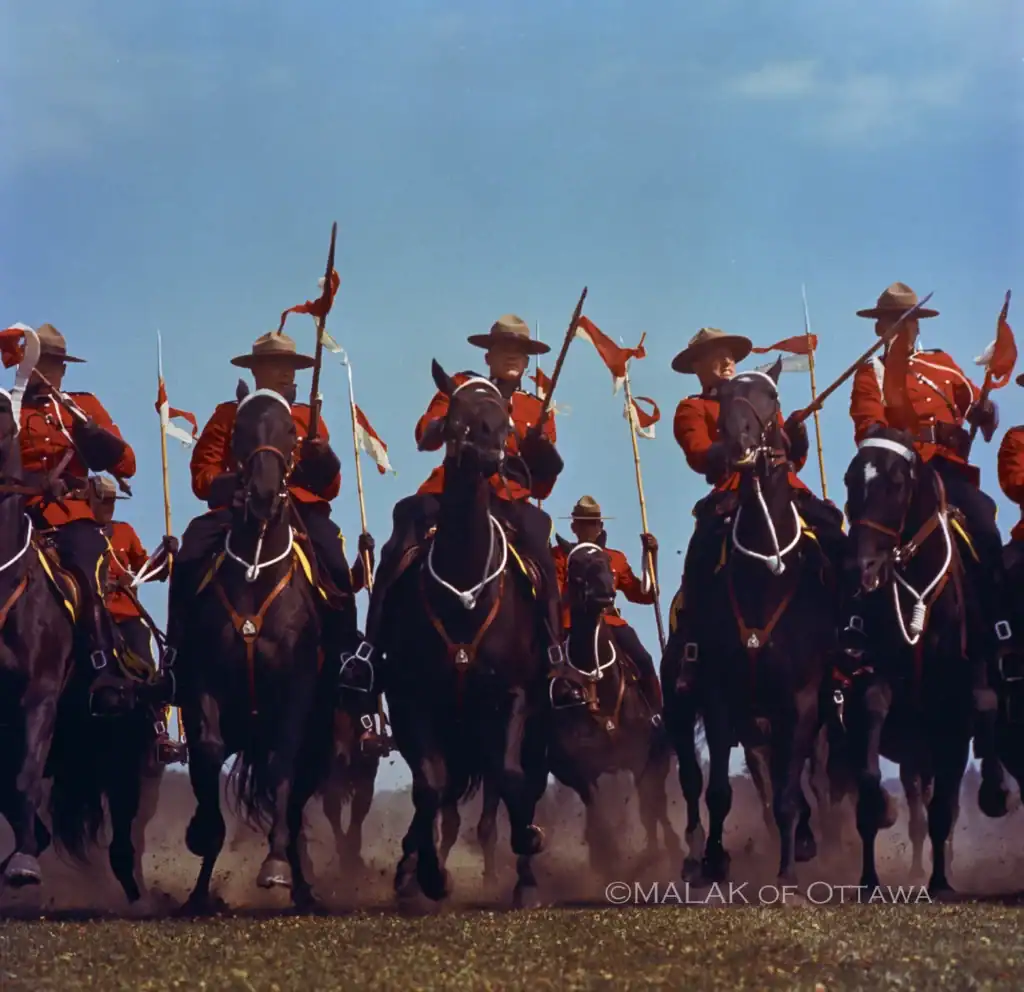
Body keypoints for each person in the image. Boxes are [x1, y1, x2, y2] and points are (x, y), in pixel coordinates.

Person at [340, 314, 571, 711]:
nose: (512, 357)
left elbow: (542, 484)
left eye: (520, 351)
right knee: (401, 541)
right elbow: (424, 435)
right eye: (504, 349)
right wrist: (448, 423)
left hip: (507, 499)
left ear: (528, 360)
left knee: (541, 547)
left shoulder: (537, 408)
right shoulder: (461, 388)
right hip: (452, 494)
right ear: (489, 355)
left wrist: (541, 453)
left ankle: (554, 655)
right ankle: (371, 651)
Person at [845, 282, 1009, 813]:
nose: (901, 326)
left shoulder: (943, 364)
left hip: (948, 473)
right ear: (880, 327)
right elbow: (867, 429)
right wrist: (908, 442)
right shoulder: (868, 373)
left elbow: (975, 409)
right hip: (900, 479)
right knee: (862, 539)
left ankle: (993, 638)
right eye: (893, 319)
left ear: (919, 324)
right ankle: (856, 629)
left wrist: (985, 415)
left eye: (909, 319)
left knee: (983, 522)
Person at [165, 331, 372, 686]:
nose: (286, 374)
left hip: (299, 512)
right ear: (257, 370)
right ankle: (175, 656)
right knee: (189, 555)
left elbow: (331, 490)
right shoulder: (229, 414)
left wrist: (324, 459)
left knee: (334, 561)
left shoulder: (308, 418)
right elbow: (202, 476)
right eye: (276, 365)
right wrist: (240, 484)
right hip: (239, 507)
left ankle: (344, 655)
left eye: (291, 367)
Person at [666, 327, 846, 690]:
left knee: (837, 538)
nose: (727, 360)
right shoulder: (692, 407)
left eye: (730, 353)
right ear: (698, 366)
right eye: (716, 354)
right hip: (734, 492)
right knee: (701, 553)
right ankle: (692, 647)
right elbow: (699, 454)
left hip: (784, 490)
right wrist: (731, 451)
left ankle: (849, 639)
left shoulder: (760, 397)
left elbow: (793, 458)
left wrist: (794, 434)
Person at [16, 323, 160, 708]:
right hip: (18, 514)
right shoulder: (8, 407)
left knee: (86, 567)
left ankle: (100, 663)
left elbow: (127, 464)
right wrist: (30, 481)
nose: (48, 371)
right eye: (40, 362)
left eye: (55, 364)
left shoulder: (82, 407)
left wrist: (98, 437)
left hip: (68, 516)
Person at [87, 476, 184, 763]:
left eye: (111, 502)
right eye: (103, 500)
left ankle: (158, 734)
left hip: (126, 616)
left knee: (147, 665)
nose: (108, 507)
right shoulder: (78, 533)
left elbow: (149, 570)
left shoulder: (124, 532)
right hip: (92, 617)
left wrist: (166, 556)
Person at [551, 495, 663, 723]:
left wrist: (652, 557)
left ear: (600, 526)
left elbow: (643, 595)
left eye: (593, 523)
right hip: (572, 624)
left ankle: (657, 715)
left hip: (609, 622)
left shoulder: (615, 558)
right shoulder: (560, 556)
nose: (588, 527)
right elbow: (554, 595)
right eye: (582, 522)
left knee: (643, 658)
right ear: (573, 526)